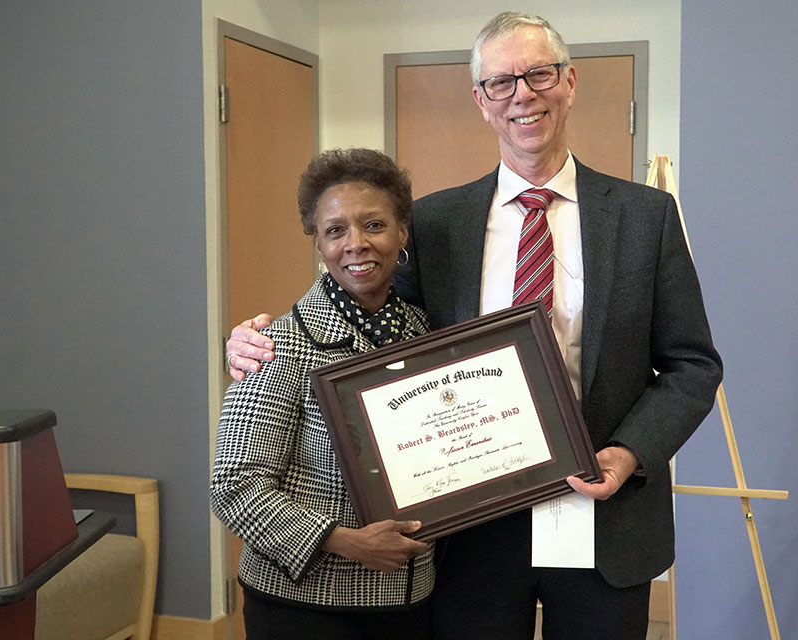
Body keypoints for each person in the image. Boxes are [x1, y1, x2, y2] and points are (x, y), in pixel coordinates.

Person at [225, 12, 722, 640]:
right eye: (501, 82)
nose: (523, 94)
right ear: (481, 102)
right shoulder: (434, 224)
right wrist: (252, 346)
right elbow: (370, 325)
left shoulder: (645, 216)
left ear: (568, 82)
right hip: (470, 527)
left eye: (538, 74)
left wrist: (627, 455)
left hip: (606, 515)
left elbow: (692, 365)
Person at [211, 148, 435, 640]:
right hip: (305, 604)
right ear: (318, 243)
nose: (356, 244)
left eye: (374, 225)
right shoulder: (278, 345)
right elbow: (233, 486)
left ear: (402, 234)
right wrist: (345, 542)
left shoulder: (426, 334)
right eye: (335, 230)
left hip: (411, 598)